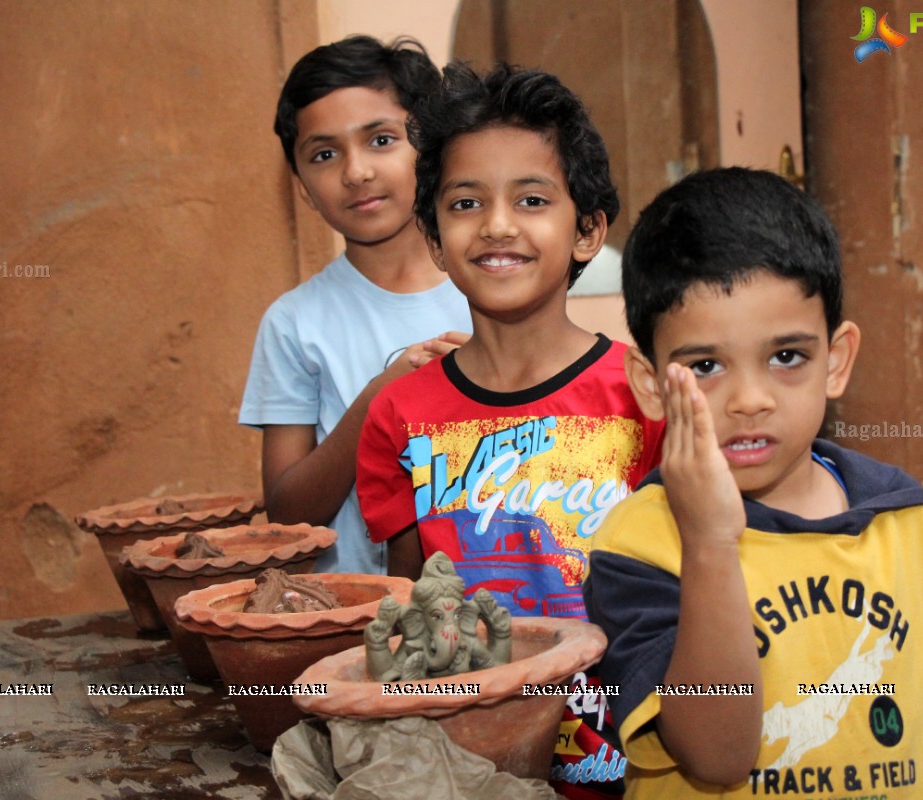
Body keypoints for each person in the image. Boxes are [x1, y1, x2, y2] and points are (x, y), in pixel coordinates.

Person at [584, 167, 923, 799]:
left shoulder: (906, 519)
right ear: (650, 384)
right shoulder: (641, 545)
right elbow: (716, 758)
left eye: (786, 357)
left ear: (837, 360)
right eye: (707, 365)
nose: (750, 400)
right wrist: (711, 545)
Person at [356, 63, 664, 797]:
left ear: (588, 230)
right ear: (433, 239)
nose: (497, 225)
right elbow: (413, 607)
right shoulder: (401, 416)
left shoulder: (644, 397)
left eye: (531, 199)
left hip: (632, 759)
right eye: (466, 203)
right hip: (467, 763)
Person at [240, 36, 471, 575]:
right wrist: (379, 401)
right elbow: (288, 516)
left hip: (494, 612)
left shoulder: (493, 296)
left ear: (430, 148)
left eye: (381, 140)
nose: (356, 171)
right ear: (300, 185)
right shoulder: (294, 324)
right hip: (350, 628)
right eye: (324, 154)